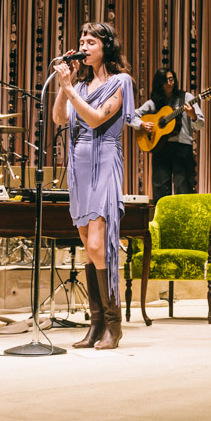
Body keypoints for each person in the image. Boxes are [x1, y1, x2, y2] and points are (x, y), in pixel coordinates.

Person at [52, 22, 136, 350]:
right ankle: (96, 322)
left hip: (105, 162)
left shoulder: (121, 82)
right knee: (89, 248)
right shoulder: (80, 86)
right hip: (80, 165)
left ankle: (113, 325)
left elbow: (97, 119)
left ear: (105, 46)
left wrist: (71, 90)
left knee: (100, 246)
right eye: (81, 40)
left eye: (90, 41)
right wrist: (67, 85)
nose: (84, 45)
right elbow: (61, 118)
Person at [133, 68, 205, 200]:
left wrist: (193, 115)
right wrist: (142, 124)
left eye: (171, 79)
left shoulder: (186, 98)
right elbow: (132, 116)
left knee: (183, 190)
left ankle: (183, 220)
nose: (169, 83)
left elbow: (200, 125)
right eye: (165, 80)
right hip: (161, 148)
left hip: (182, 148)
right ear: (159, 83)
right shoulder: (154, 102)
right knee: (160, 190)